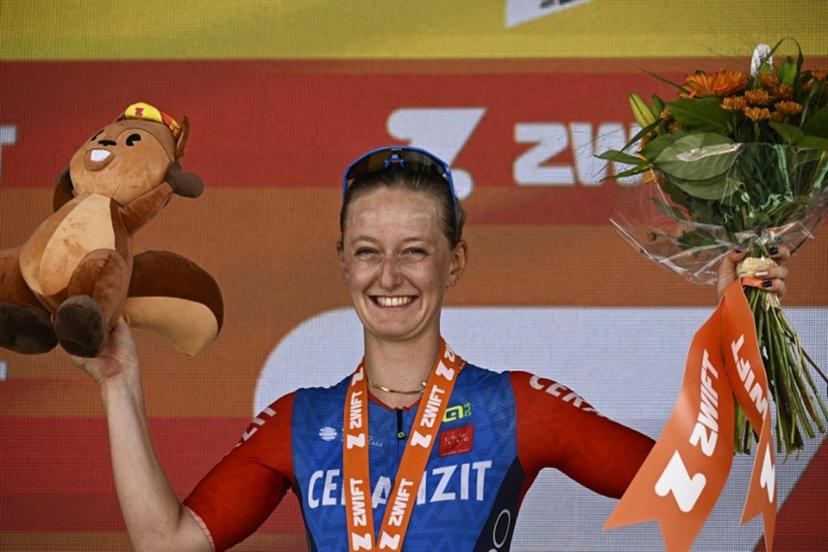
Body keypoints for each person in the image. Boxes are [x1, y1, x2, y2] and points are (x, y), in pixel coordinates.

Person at [73, 146, 790, 551]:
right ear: (343, 264)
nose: (389, 277)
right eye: (367, 252)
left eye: (415, 252)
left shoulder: (516, 407)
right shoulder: (302, 420)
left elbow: (684, 485)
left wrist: (737, 328)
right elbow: (168, 545)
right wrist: (117, 381)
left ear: (455, 263)